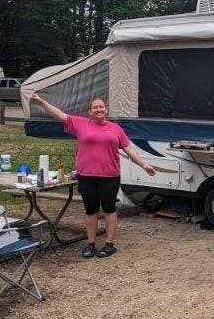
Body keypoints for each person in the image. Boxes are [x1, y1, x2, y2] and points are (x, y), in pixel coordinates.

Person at [29, 93, 156, 258]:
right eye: (95, 107)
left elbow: (129, 150)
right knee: (91, 211)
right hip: (86, 176)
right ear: (90, 111)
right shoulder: (80, 123)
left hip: (110, 176)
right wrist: (41, 102)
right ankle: (91, 244)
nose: (99, 109)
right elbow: (58, 114)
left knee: (109, 209)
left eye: (101, 107)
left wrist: (144, 165)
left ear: (106, 110)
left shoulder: (116, 129)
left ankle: (109, 244)